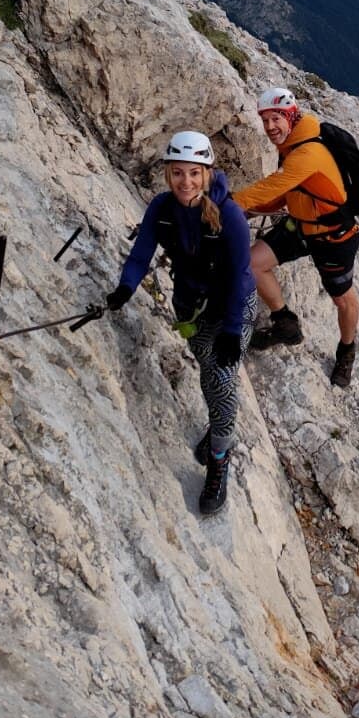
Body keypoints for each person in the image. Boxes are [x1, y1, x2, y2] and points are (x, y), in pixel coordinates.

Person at [106, 130, 255, 514]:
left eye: (193, 173)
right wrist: (125, 288)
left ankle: (219, 460)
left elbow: (240, 274)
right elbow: (141, 253)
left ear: (206, 174)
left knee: (221, 380)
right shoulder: (162, 208)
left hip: (231, 307)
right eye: (177, 173)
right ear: (168, 174)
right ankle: (217, 425)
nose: (185, 182)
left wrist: (234, 330)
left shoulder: (230, 216)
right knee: (207, 369)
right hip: (189, 306)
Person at [233, 86, 359, 388]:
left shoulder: (308, 152)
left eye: (276, 118)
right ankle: (285, 323)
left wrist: (226, 206)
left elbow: (272, 187)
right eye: (265, 121)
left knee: (343, 300)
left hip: (334, 237)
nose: (270, 127)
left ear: (291, 117)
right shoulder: (291, 147)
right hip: (301, 226)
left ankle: (347, 351)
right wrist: (252, 212)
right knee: (252, 263)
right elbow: (287, 195)